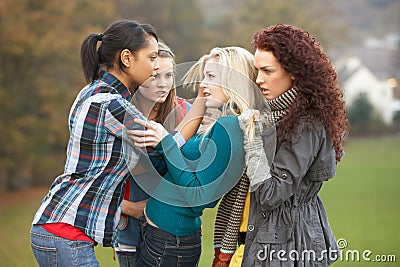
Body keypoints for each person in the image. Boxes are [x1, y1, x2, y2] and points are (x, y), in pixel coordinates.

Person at [30, 20, 204, 267]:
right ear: (126, 58)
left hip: (59, 228)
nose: (155, 67)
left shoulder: (92, 92)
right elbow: (165, 146)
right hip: (65, 233)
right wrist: (201, 105)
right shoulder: (110, 105)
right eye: (152, 57)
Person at [128, 46, 266, 266]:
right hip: (163, 237)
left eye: (211, 76)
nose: (202, 84)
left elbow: (198, 197)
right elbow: (175, 169)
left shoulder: (228, 127)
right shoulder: (220, 122)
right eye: (203, 76)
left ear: (232, 81)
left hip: (169, 243)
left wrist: (165, 143)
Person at [238, 24, 349, 266]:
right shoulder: (277, 114)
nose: (258, 80)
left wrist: (252, 140)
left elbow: (269, 194)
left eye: (268, 71)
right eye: (257, 70)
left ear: (295, 72)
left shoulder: (306, 123)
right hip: (275, 239)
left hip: (289, 247)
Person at [115, 40, 191, 267]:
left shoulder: (185, 113)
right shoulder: (121, 113)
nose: (163, 84)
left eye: (169, 76)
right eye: (155, 76)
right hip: (131, 229)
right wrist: (129, 208)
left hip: (173, 229)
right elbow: (101, 175)